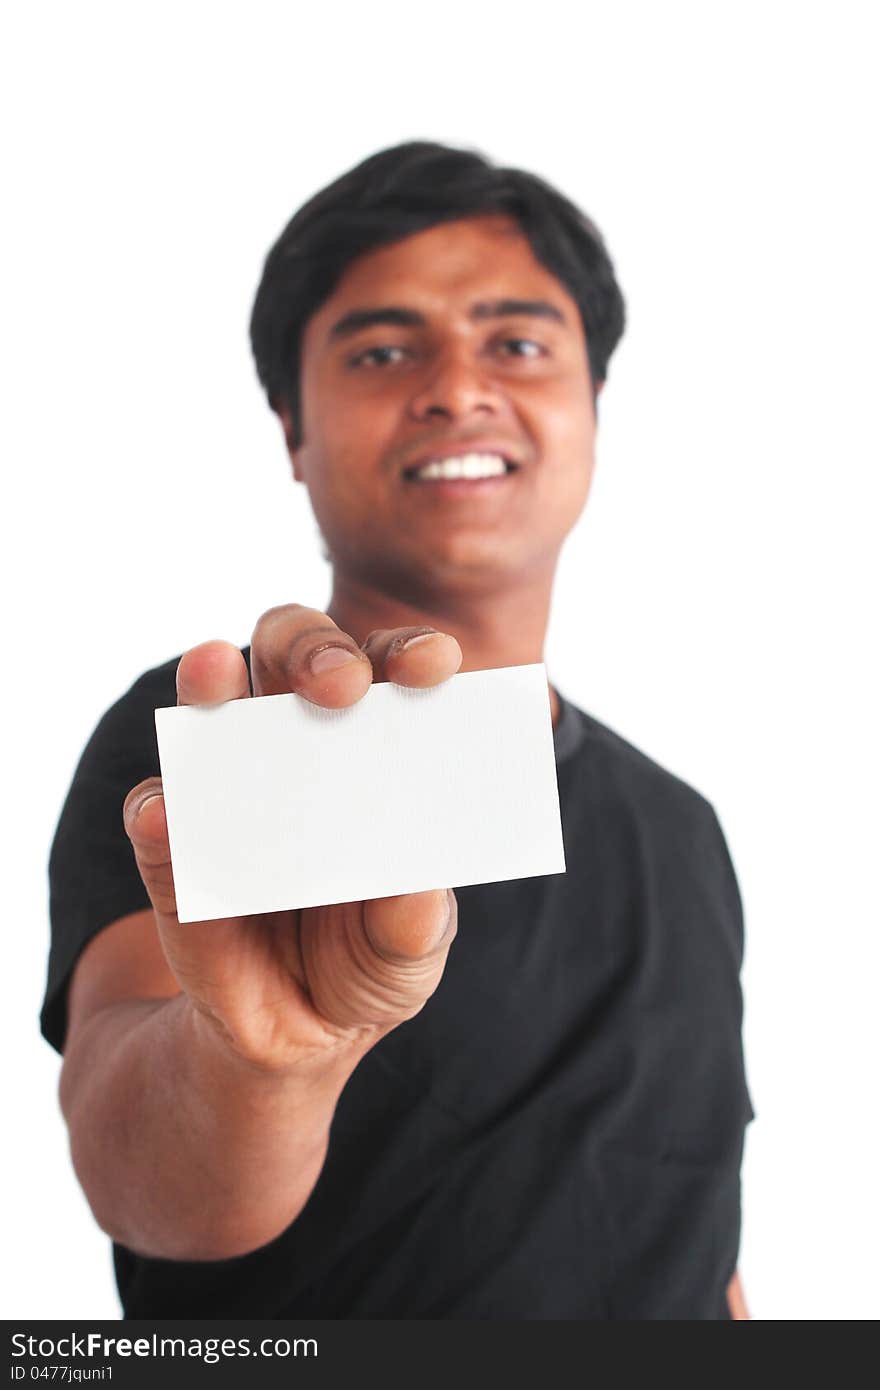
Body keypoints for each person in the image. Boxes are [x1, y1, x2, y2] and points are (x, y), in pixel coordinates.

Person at [42, 140, 754, 1320]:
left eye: (516, 343)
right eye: (381, 350)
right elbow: (138, 1173)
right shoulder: (211, 734)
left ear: (591, 404)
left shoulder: (682, 826)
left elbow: (694, 1225)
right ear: (292, 430)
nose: (456, 388)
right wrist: (259, 1062)